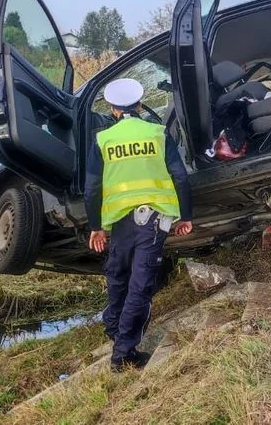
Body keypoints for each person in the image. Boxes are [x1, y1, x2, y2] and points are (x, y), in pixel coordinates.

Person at [85, 78, 194, 371]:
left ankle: (113, 326)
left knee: (118, 274)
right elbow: (179, 177)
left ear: (113, 109)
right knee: (140, 284)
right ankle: (123, 355)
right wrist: (185, 216)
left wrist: (96, 226)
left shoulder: (103, 139)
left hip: (119, 220)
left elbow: (92, 187)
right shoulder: (157, 133)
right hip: (153, 219)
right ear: (141, 106)